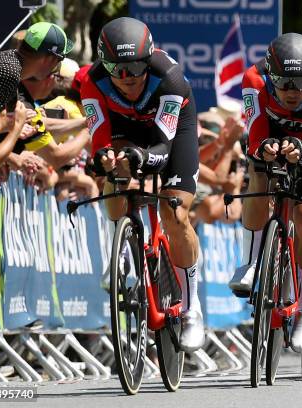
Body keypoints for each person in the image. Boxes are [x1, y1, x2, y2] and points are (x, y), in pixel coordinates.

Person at [81, 17, 204, 351]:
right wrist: (104, 158)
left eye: (135, 68)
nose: (126, 78)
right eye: (116, 69)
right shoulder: (91, 82)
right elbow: (100, 140)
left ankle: (192, 309)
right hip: (127, 129)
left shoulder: (170, 78)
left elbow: (162, 149)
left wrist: (140, 157)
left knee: (175, 212)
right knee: (114, 169)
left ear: (148, 60)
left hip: (172, 135)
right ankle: (120, 250)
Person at [231, 32, 302, 352]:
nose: (292, 92)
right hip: (274, 131)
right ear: (269, 75)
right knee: (257, 174)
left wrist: (301, 152)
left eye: (300, 83)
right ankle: (251, 262)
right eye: (282, 82)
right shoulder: (253, 79)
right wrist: (264, 149)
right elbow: (255, 135)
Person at [0, 22, 73, 124]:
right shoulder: (9, 72)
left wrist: (24, 114)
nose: (56, 67)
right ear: (49, 59)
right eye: (59, 60)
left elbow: (9, 112)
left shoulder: (12, 64)